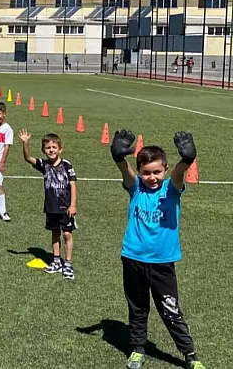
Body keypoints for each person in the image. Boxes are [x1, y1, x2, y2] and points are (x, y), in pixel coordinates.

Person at [110, 130, 206, 369]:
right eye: (146, 172)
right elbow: (126, 172)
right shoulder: (136, 189)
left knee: (170, 309)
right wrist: (118, 158)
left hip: (162, 262)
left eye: (157, 172)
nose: (152, 177)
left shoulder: (171, 190)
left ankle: (190, 355)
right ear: (140, 171)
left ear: (165, 169)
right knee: (138, 308)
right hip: (133, 258)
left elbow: (178, 175)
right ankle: (137, 349)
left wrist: (186, 160)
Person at [18, 130, 77, 279]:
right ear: (44, 150)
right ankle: (56, 261)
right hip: (51, 207)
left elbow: (73, 185)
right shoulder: (44, 165)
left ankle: (68, 263)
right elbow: (27, 158)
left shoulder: (66, 165)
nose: (51, 150)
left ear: (60, 149)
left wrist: (72, 205)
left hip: (65, 208)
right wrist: (25, 143)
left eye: (54, 147)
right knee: (55, 233)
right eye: (48, 148)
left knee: (67, 234)